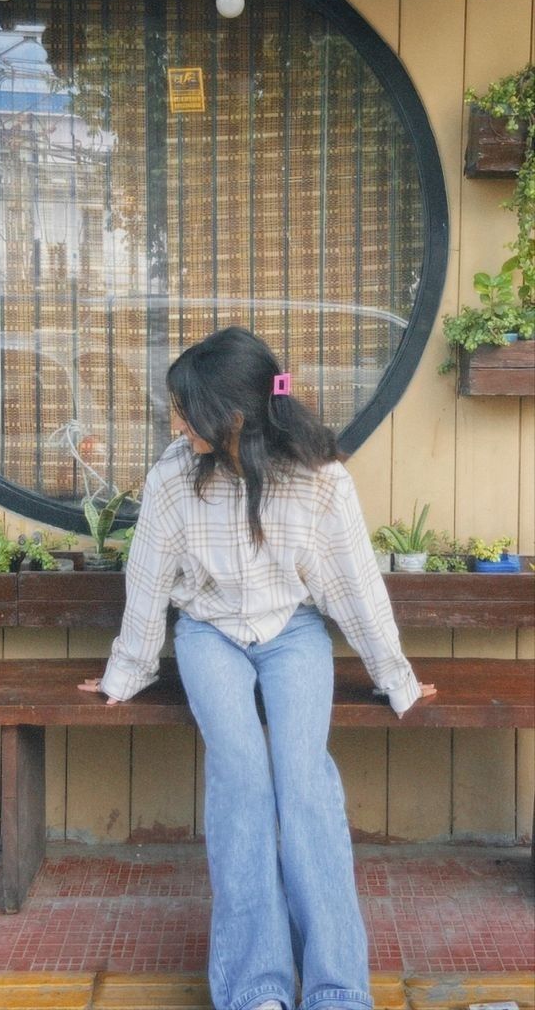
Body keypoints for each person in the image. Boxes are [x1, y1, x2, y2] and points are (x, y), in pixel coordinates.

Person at [79, 326, 435, 1010]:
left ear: (230, 413)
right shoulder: (172, 478)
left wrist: (398, 679)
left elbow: (356, 588)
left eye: (184, 409)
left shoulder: (321, 480)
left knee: (305, 782)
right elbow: (149, 583)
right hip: (209, 634)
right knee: (240, 774)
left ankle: (337, 990)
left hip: (293, 632)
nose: (175, 422)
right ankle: (256, 988)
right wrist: (124, 674)